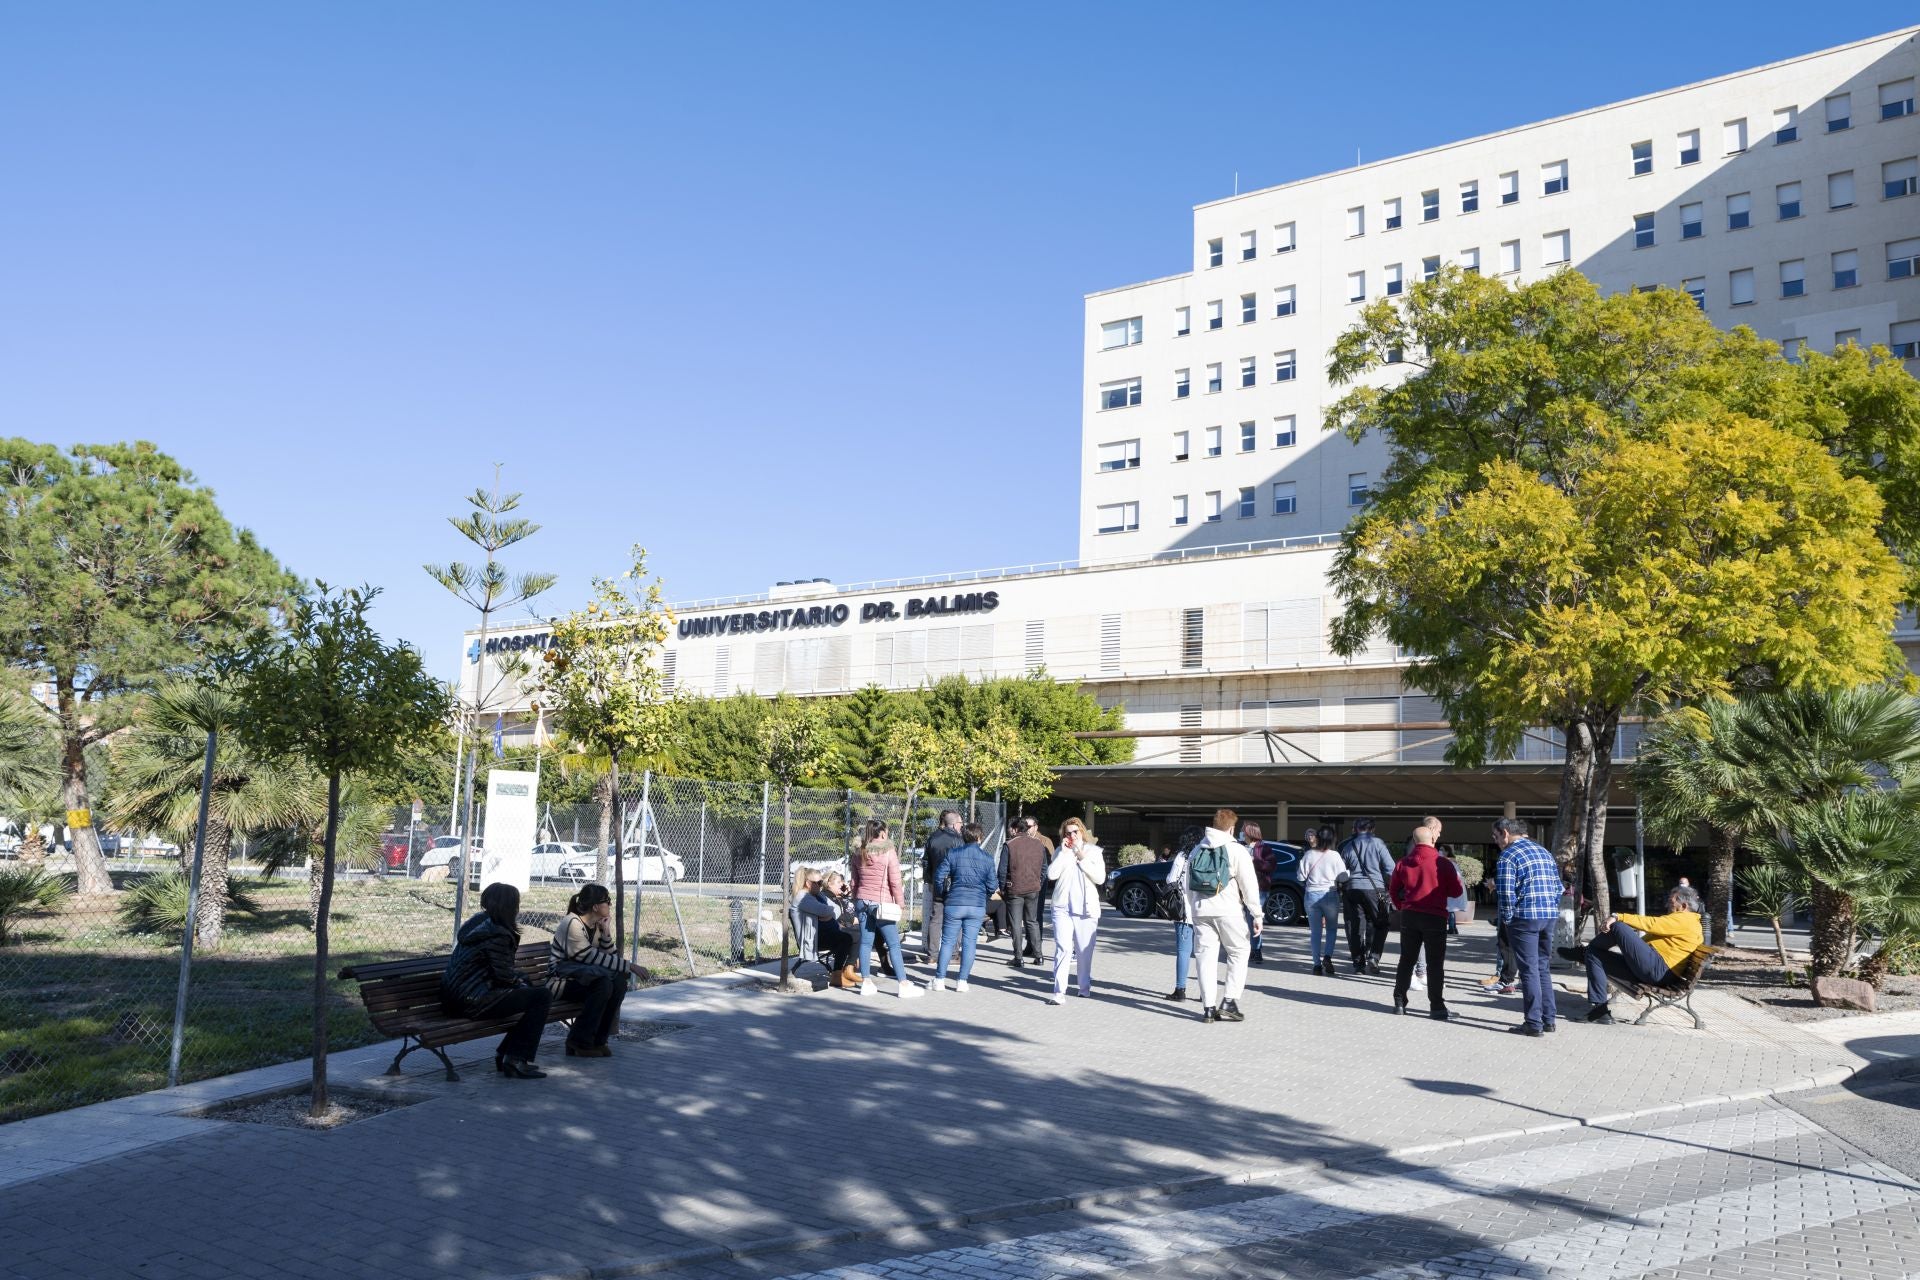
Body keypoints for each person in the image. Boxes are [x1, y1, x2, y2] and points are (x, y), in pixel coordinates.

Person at [443, 883, 551, 1078]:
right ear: (511, 906)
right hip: (474, 1000)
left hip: (456, 999)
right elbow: (504, 976)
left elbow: (498, 972)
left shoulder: (479, 924)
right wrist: (522, 981)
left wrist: (520, 982)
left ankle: (507, 1055)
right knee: (542, 997)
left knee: (532, 996)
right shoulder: (498, 933)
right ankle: (515, 1059)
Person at [1572, 885, 1705, 1024]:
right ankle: (1599, 1011)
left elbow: (1652, 923)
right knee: (1594, 955)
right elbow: (1644, 941)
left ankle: (1581, 952)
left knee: (1618, 926)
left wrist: (1618, 916)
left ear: (1683, 906)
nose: (1668, 906)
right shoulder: (1681, 920)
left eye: (1671, 903)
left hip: (1659, 970)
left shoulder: (1686, 920)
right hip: (1654, 969)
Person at [1182, 808, 1265, 1023]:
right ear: (1231, 828)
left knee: (1205, 958)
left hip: (1201, 911)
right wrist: (1257, 914)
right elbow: (1249, 885)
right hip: (1229, 911)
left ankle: (1208, 1008)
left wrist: (1194, 908)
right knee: (1239, 952)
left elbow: (1187, 884)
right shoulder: (1236, 850)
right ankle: (1229, 1001)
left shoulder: (1197, 849)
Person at [548, 882, 644, 1057]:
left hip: (583, 980)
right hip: (559, 983)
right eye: (607, 901)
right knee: (604, 985)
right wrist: (629, 965)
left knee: (618, 983)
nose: (610, 904)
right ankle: (579, 1040)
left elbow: (611, 956)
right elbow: (588, 956)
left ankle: (598, 1040)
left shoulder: (596, 925)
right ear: (595, 906)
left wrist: (606, 932)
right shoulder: (572, 923)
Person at [1494, 816, 1561, 1037]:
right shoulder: (1544, 852)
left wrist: (1507, 918)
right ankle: (1549, 1019)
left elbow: (1505, 893)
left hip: (1524, 918)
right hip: (1548, 916)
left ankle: (1533, 1023)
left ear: (1505, 833)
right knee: (1542, 967)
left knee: (1528, 970)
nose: (1496, 841)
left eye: (1495, 836)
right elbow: (1559, 887)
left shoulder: (1508, 855)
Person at [1389, 826, 1465, 1020]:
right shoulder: (1443, 863)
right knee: (1435, 963)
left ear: (1414, 841)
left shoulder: (1403, 863)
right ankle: (1437, 1006)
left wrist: (1401, 906)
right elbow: (1456, 891)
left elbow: (1393, 889)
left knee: (1406, 960)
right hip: (1435, 916)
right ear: (1433, 840)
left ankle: (1399, 1001)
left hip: (1410, 914)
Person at [851, 821, 922, 999]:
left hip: (862, 901)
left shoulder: (858, 852)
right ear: (882, 833)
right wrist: (900, 902)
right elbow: (895, 881)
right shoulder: (888, 851)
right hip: (881, 903)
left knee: (866, 943)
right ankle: (903, 984)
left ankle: (866, 983)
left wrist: (856, 897)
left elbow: (854, 880)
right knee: (894, 944)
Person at [931, 822, 999, 991]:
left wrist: (943, 894)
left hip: (954, 902)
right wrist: (984, 896)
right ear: (980, 837)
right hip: (976, 905)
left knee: (947, 942)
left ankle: (939, 980)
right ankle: (962, 981)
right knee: (970, 943)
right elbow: (992, 885)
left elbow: (939, 876)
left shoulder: (953, 854)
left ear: (963, 836)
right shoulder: (987, 859)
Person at [1046, 817, 1105, 1004]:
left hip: (1086, 909)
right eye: (1068, 832)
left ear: (1082, 832)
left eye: (1075, 832)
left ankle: (1084, 986)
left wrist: (1082, 858)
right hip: (1062, 907)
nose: (1071, 835)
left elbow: (1100, 878)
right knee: (1063, 948)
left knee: (1083, 951)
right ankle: (1058, 992)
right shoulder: (1060, 851)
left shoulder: (1094, 852)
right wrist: (1063, 854)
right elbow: (1051, 875)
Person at [1338, 818, 1396, 975]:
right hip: (1374, 889)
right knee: (1381, 923)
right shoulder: (1378, 844)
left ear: (1355, 829)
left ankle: (1358, 964)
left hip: (1352, 889)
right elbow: (1391, 869)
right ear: (1372, 829)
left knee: (1354, 927)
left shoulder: (1348, 846)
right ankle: (1374, 957)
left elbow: (1341, 874)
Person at [1162, 825, 1204, 1000]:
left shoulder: (1183, 856)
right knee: (1205, 953)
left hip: (1185, 911)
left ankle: (1180, 990)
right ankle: (1205, 992)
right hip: (1205, 912)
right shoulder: (1205, 855)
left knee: (1184, 952)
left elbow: (1171, 879)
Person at [1000, 817, 1048, 967]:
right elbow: (1044, 867)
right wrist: (1038, 881)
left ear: (1014, 829)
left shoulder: (1009, 845)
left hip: (1014, 889)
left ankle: (1018, 957)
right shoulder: (1039, 844)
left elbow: (1002, 870)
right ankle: (1039, 956)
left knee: (1015, 924)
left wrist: (1002, 889)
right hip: (1033, 888)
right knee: (1032, 921)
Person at [1299, 827, 1346, 976]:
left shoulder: (1309, 854)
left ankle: (1316, 965)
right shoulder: (1335, 855)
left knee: (1315, 932)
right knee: (1331, 929)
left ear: (1318, 838)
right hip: (1330, 894)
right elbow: (1343, 878)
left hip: (1312, 895)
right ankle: (1327, 956)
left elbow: (1300, 877)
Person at [920, 810, 963, 966]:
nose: (961, 827)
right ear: (953, 824)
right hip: (954, 884)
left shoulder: (933, 838)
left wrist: (930, 880)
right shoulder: (958, 840)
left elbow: (925, 862)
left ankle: (932, 955)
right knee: (954, 919)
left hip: (936, 884)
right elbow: (960, 862)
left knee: (936, 918)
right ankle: (953, 954)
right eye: (960, 824)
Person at [795, 871, 855, 974]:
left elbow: (837, 910)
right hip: (812, 939)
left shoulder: (818, 895)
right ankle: (838, 973)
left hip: (823, 932)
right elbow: (825, 910)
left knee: (854, 934)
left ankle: (847, 970)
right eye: (818, 883)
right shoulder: (803, 897)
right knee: (846, 938)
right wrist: (826, 913)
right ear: (808, 883)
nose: (821, 885)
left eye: (821, 882)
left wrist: (827, 914)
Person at [1243, 820, 1273, 965]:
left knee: (1254, 919)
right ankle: (1249, 949)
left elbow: (1271, 865)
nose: (1241, 833)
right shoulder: (1241, 847)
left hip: (1259, 889)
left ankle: (1257, 950)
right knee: (1244, 921)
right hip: (1242, 889)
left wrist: (1255, 861)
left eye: (1244, 830)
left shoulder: (1264, 848)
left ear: (1250, 832)